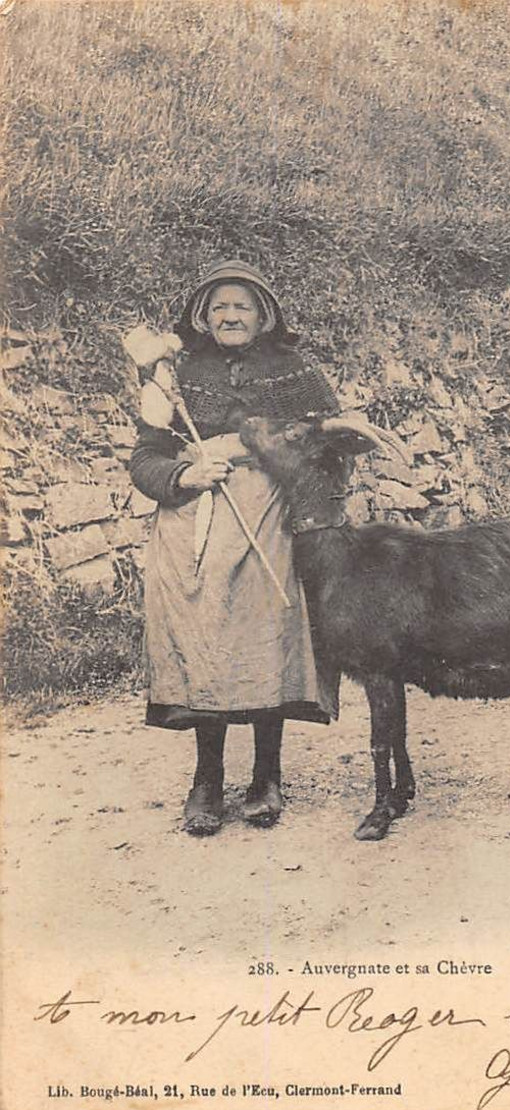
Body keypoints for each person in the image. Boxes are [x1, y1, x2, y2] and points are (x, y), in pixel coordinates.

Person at [129, 259, 342, 836]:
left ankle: (266, 775)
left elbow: (331, 448)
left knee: (268, 637)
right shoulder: (176, 374)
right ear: (202, 315)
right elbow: (144, 459)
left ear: (263, 315)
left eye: (241, 306)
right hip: (196, 523)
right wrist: (183, 476)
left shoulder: (295, 371)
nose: (230, 316)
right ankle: (206, 779)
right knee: (207, 643)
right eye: (219, 306)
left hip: (273, 517)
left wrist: (302, 488)